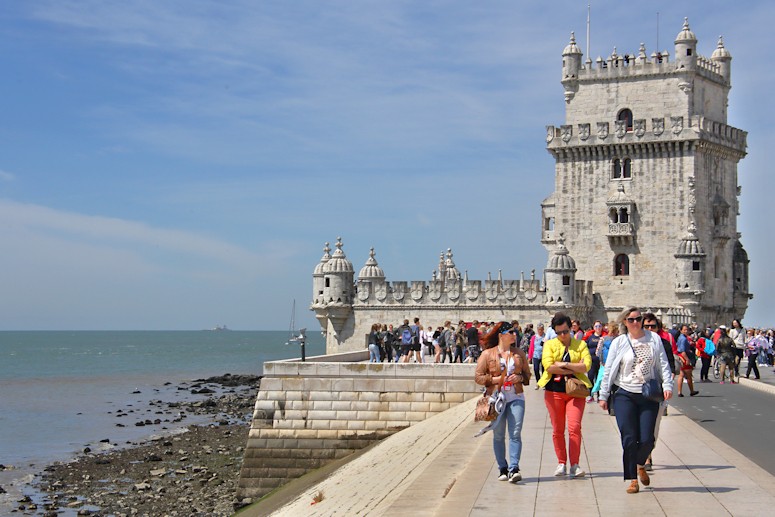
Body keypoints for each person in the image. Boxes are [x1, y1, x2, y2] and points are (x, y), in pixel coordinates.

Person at [598, 308, 673, 494]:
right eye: (631, 319)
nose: (635, 322)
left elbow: (663, 364)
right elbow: (609, 369)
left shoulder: (653, 339)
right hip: (624, 393)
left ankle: (640, 464)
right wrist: (603, 394)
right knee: (629, 439)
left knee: (647, 439)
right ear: (624, 322)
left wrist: (668, 386)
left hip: (648, 394)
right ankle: (632, 479)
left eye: (638, 319)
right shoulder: (619, 342)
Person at [474, 321, 531, 483]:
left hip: (516, 396)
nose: (514, 335)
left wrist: (519, 377)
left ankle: (514, 468)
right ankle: (502, 468)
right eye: (511, 332)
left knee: (515, 433)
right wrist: (497, 379)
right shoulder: (487, 354)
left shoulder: (519, 353)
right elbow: (478, 376)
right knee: (498, 435)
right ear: (501, 335)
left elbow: (527, 376)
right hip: (496, 398)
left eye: (515, 332)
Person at [537, 312, 592, 478]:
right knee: (558, 429)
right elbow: (548, 366)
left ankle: (574, 464)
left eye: (565, 331)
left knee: (574, 427)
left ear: (571, 329)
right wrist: (575, 366)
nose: (562, 335)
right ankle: (562, 462)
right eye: (559, 332)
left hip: (576, 391)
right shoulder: (550, 345)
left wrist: (564, 364)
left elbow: (587, 366)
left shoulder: (580, 345)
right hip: (554, 391)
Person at [641, 313, 675, 471]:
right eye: (646, 326)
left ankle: (647, 453)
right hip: (638, 390)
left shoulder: (665, 344)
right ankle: (644, 458)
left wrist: (667, 386)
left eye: (653, 326)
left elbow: (671, 369)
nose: (649, 329)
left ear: (658, 328)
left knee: (653, 426)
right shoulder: (635, 343)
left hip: (656, 392)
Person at [591, 321, 619, 404]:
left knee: (603, 380)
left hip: (605, 364)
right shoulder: (619, 339)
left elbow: (597, 352)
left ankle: (599, 395)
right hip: (616, 365)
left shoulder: (603, 338)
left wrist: (602, 361)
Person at [675, 324, 699, 397]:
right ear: (681, 330)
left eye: (687, 330)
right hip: (684, 357)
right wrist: (687, 359)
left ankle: (680, 391)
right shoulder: (683, 339)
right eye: (684, 330)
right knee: (688, 375)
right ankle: (691, 391)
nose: (686, 331)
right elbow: (682, 350)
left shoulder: (681, 338)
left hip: (681, 356)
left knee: (681, 374)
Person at [585, 321, 605, 402]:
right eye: (596, 326)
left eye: (599, 326)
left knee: (599, 378)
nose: (598, 328)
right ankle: (590, 394)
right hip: (591, 360)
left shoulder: (604, 337)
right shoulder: (590, 337)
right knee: (590, 377)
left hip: (600, 361)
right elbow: (586, 346)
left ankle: (599, 396)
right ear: (594, 328)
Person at [529, 323, 547, 390]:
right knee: (536, 369)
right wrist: (530, 357)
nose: (540, 331)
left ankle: (543, 383)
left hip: (544, 355)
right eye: (539, 329)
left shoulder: (545, 337)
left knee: (543, 370)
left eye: (541, 329)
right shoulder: (534, 337)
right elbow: (531, 347)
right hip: (536, 355)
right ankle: (538, 382)